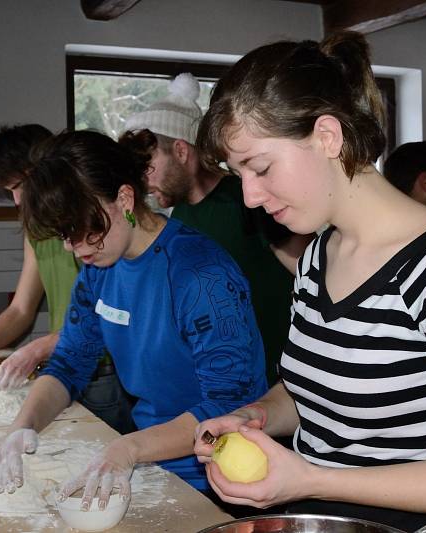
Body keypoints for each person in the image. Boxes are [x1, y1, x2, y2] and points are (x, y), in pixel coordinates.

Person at [192, 32, 426, 532]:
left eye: (259, 168)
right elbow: (312, 395)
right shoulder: (317, 257)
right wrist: (257, 414)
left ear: (328, 136)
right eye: (240, 174)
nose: (251, 197)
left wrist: (310, 480)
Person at [0, 130, 268, 509]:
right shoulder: (98, 269)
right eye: (63, 235)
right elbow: (69, 364)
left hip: (222, 479)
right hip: (154, 466)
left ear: (124, 198)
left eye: (81, 229)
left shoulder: (201, 274)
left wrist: (129, 447)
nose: (72, 247)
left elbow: (231, 405)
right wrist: (22, 427)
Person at [0, 124, 135, 434]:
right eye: (9, 191)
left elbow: (108, 316)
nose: (16, 200)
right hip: (63, 367)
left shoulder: (101, 232)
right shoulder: (37, 231)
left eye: (19, 186)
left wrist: (38, 348)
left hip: (103, 371)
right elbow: (20, 310)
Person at [119, 73, 313, 386]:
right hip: (221, 385)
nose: (144, 183)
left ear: (182, 151)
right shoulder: (178, 217)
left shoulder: (249, 199)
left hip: (281, 384)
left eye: (149, 168)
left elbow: (315, 276)